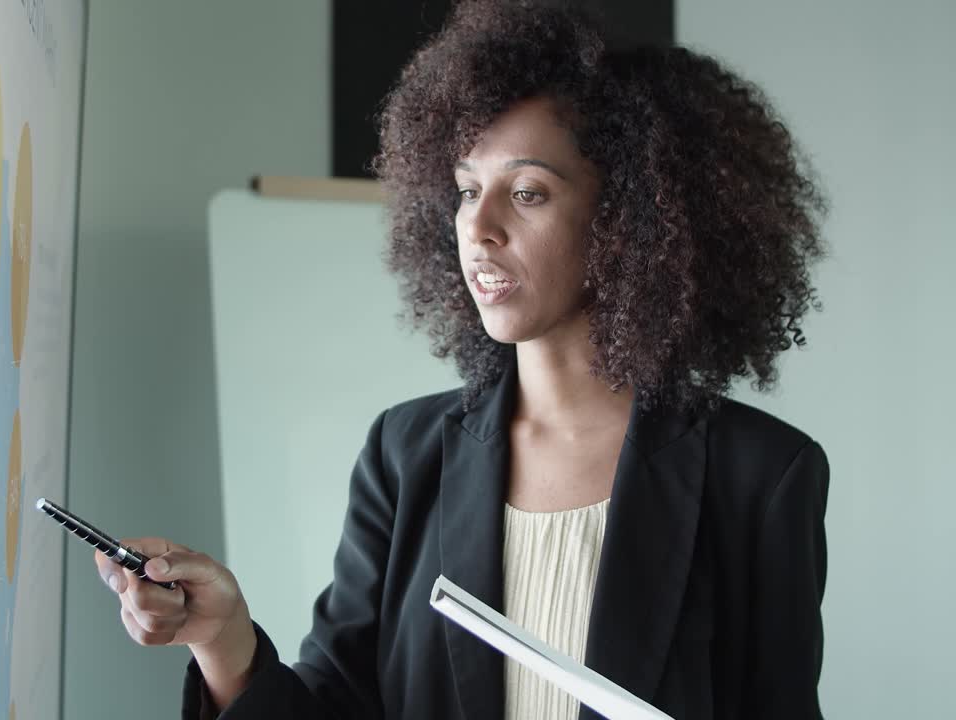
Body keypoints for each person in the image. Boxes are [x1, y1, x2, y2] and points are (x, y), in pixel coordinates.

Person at [94, 1, 831, 718]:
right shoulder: (404, 456)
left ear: (626, 219)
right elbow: (335, 706)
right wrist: (223, 641)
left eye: (529, 193)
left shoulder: (760, 476)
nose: (478, 227)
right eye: (467, 190)